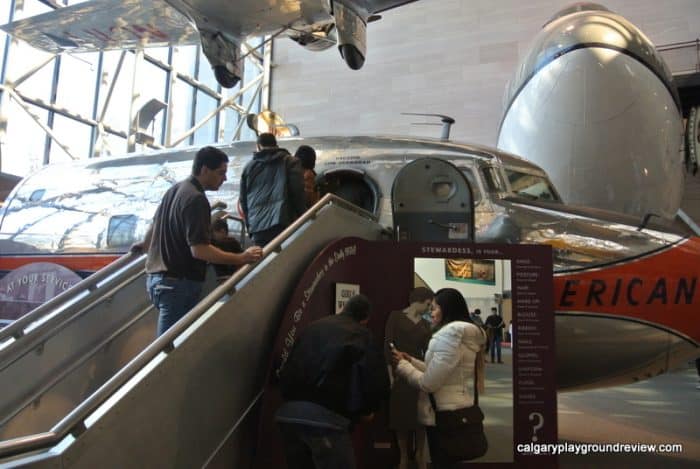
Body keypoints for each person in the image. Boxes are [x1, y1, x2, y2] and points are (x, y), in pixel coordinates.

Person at [133, 146, 263, 336]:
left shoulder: (174, 190)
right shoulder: (196, 199)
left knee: (170, 345)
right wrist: (241, 258)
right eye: (221, 173)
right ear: (204, 170)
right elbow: (200, 250)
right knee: (169, 351)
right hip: (178, 283)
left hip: (157, 279)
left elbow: (155, 224)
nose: (224, 178)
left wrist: (145, 245)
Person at [276, 294, 390, 469]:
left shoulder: (313, 327)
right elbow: (371, 377)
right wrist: (368, 409)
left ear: (343, 309)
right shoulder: (361, 334)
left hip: (288, 415)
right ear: (365, 319)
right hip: (326, 421)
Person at [391, 288, 486, 469]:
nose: (431, 313)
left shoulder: (448, 337)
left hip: (442, 412)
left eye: (434, 308)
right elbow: (441, 371)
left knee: (444, 460)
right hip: (456, 404)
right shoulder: (462, 337)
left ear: (446, 309)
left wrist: (403, 367)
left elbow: (428, 383)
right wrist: (411, 360)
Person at [384, 287, 433, 469]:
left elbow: (428, 351)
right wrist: (390, 374)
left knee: (420, 416)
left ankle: (420, 454)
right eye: (428, 304)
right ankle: (403, 456)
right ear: (419, 300)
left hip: (418, 368)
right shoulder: (395, 316)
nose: (429, 308)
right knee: (400, 417)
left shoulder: (426, 324)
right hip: (399, 369)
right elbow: (388, 344)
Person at [239, 133, 305, 246]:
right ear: (276, 144)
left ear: (258, 146)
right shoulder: (290, 162)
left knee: (266, 262)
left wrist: (250, 227)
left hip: (257, 227)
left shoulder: (248, 168)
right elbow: (297, 193)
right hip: (284, 223)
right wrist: (303, 216)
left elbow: (243, 200)